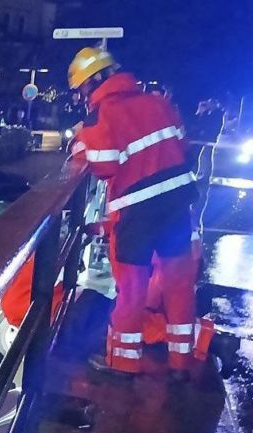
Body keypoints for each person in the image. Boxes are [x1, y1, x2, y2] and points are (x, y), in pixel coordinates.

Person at [67, 46, 199, 380]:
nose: (83, 95)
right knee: (179, 284)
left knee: (132, 290)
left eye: (83, 87)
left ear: (95, 80)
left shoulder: (101, 117)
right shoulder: (158, 101)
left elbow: (105, 165)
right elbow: (182, 146)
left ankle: (123, 363)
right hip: (176, 206)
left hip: (136, 215)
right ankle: (181, 364)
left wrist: (80, 141)